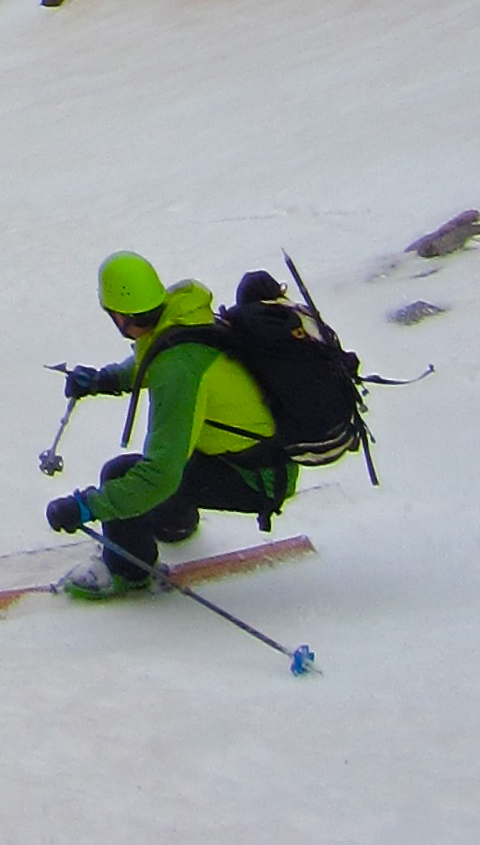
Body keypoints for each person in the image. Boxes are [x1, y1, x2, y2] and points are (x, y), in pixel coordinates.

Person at [44, 248, 295, 591]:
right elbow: (158, 357)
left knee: (121, 475)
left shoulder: (177, 372)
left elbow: (159, 476)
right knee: (172, 457)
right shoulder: (182, 317)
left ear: (118, 315)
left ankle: (127, 572)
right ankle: (174, 522)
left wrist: (86, 507)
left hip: (255, 478)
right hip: (258, 457)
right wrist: (108, 379)